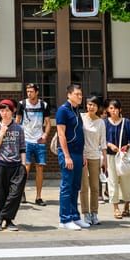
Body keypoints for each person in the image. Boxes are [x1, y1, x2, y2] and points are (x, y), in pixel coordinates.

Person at [0, 99, 26, 231]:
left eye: (7, 110)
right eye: (2, 110)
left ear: (13, 111)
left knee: (15, 194)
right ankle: (7, 220)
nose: (4, 113)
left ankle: (2, 216)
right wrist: (2, 133)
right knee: (2, 193)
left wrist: (23, 165)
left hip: (16, 164)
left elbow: (22, 147)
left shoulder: (19, 128)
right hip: (1, 163)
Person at [56, 84, 87, 230]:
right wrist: (66, 156)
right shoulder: (63, 110)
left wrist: (83, 154)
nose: (80, 97)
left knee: (76, 186)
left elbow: (80, 133)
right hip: (67, 153)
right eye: (77, 94)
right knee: (67, 186)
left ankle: (75, 216)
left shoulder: (77, 111)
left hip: (78, 153)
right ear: (69, 95)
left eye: (81, 94)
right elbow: (61, 134)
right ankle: (65, 219)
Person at [15, 83, 51, 206]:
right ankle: (21, 193)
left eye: (31, 91)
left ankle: (38, 196)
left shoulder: (43, 105)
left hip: (39, 139)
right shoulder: (22, 104)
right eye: (27, 91)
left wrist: (45, 135)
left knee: (40, 167)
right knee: (26, 167)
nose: (29, 93)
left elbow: (48, 122)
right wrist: (19, 137)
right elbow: (17, 121)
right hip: (26, 140)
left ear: (37, 92)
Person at [104, 99, 130, 219]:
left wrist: (127, 146)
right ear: (108, 110)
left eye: (115, 108)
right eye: (111, 108)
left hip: (124, 157)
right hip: (110, 156)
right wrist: (109, 144)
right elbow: (101, 139)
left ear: (120, 109)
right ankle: (116, 208)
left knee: (127, 181)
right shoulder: (105, 123)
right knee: (112, 181)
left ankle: (127, 205)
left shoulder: (126, 122)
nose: (113, 111)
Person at [80, 95, 106, 226]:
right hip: (83, 156)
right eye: (89, 104)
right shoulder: (81, 118)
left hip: (95, 156)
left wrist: (104, 160)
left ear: (98, 107)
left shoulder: (101, 122)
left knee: (95, 186)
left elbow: (103, 142)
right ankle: (85, 213)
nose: (91, 107)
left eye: (94, 105)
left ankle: (94, 213)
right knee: (84, 186)